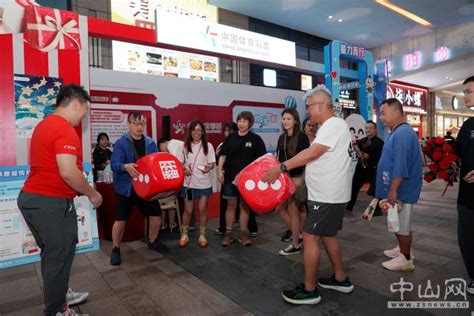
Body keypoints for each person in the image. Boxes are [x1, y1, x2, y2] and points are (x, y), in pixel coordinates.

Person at [263, 86, 355, 305]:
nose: (308, 111)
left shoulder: (333, 125)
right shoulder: (331, 126)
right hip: (330, 194)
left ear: (321, 105)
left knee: (310, 236)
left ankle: (309, 289)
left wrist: (281, 167)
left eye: (309, 106)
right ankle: (340, 279)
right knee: (327, 235)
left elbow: (312, 153)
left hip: (327, 195)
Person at [17, 84, 103, 316]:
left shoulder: (44, 125)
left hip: (33, 201)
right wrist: (92, 193)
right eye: (84, 110)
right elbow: (67, 172)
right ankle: (56, 310)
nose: (83, 116)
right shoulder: (64, 130)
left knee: (53, 256)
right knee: (59, 258)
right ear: (76, 104)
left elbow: (54, 167)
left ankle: (59, 294)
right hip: (50, 203)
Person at [110, 112, 169, 266]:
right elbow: (114, 165)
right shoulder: (121, 143)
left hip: (147, 187)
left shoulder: (150, 143)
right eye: (135, 123)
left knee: (156, 214)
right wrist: (125, 166)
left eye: (142, 123)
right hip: (126, 187)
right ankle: (115, 249)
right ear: (128, 124)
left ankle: (153, 241)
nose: (139, 126)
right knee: (121, 219)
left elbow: (156, 163)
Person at [376, 98, 422, 271]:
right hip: (397, 188)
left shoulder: (402, 133)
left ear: (396, 113)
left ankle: (406, 258)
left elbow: (400, 165)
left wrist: (393, 190)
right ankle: (402, 249)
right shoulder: (398, 132)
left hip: (401, 190)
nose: (381, 117)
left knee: (402, 225)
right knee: (397, 222)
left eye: (383, 113)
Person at [218, 111, 266, 247]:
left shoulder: (256, 139)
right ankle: (228, 233)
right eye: (240, 121)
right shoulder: (230, 138)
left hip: (248, 181)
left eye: (245, 121)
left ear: (250, 123)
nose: (241, 124)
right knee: (230, 205)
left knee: (244, 206)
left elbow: (262, 161)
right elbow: (222, 155)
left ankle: (243, 233)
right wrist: (220, 171)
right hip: (229, 178)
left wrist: (258, 177)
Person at [275, 108, 309, 255]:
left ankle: (296, 243)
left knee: (294, 210)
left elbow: (305, 158)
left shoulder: (301, 137)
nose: (286, 121)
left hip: (297, 179)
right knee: (280, 210)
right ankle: (300, 235)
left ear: (295, 120)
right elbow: (278, 158)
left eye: (289, 118)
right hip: (284, 179)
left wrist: (300, 178)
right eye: (284, 118)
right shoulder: (282, 138)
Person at [176, 120, 216, 248]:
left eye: (199, 130)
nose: (196, 133)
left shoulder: (208, 146)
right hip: (188, 184)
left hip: (204, 183)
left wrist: (208, 168)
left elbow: (211, 163)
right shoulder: (183, 146)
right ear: (190, 131)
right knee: (188, 210)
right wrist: (184, 169)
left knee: (202, 209)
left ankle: (202, 235)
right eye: (194, 130)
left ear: (203, 132)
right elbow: (179, 163)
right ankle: (184, 234)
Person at [456, 76, 474, 294]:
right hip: (466, 196)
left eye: (468, 91)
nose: (465, 96)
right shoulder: (469, 124)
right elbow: (457, 153)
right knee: (467, 238)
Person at [346, 121, 384, 214]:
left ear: (375, 130)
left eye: (370, 128)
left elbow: (382, 157)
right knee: (354, 187)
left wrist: (369, 156)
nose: (368, 130)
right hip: (361, 169)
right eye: (366, 128)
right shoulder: (362, 141)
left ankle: (377, 209)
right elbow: (355, 152)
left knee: (375, 190)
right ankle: (349, 206)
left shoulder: (380, 143)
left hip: (373, 170)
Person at [215, 122, 238, 235]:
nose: (227, 133)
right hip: (226, 177)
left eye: (230, 130)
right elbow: (218, 158)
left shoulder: (240, 142)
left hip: (241, 178)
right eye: (225, 130)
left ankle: (251, 228)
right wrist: (220, 171)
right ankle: (223, 227)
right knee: (226, 203)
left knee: (244, 204)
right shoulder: (221, 145)